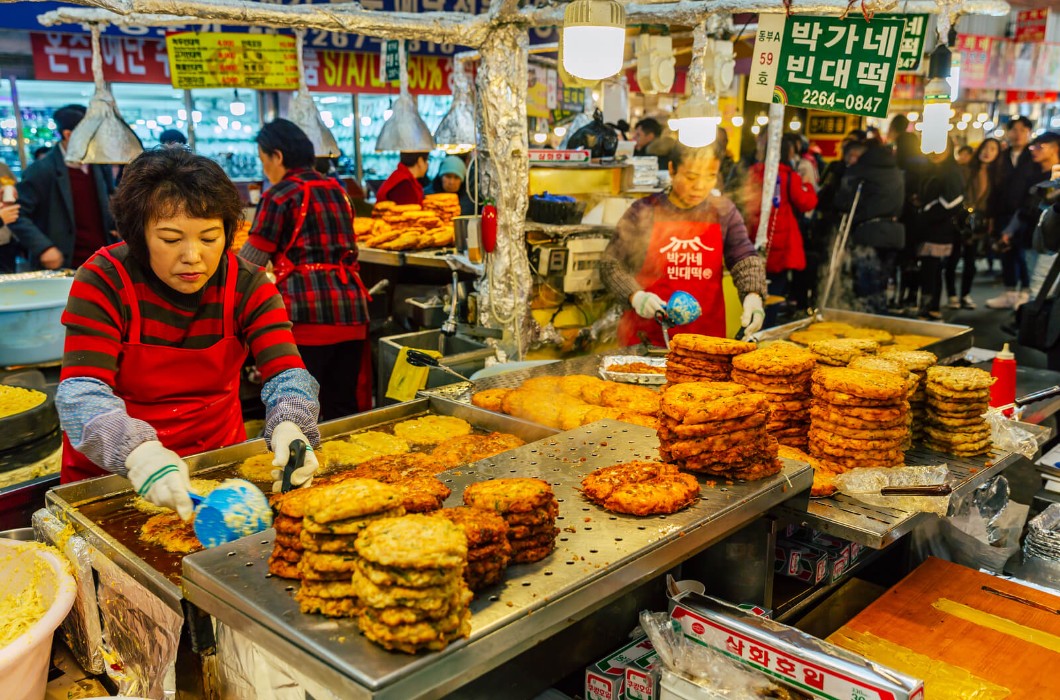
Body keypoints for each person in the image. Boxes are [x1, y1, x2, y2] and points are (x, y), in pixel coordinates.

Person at [56, 147, 321, 516]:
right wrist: (139, 453)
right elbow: (80, 394)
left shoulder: (248, 286)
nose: (193, 255)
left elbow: (288, 375)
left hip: (216, 472)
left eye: (209, 238)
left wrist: (291, 424)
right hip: (112, 478)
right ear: (138, 234)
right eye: (170, 239)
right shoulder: (103, 280)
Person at [238, 119, 371, 421]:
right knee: (342, 408)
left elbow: (251, 263)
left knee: (302, 408)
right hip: (351, 311)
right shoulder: (339, 191)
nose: (264, 169)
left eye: (263, 160)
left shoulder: (280, 194)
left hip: (307, 315)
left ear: (278, 156)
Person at [600, 143, 767, 346]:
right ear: (671, 170)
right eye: (691, 177)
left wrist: (753, 295)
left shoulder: (723, 212)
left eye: (710, 176)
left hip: (706, 341)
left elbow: (744, 257)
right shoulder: (644, 211)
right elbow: (611, 264)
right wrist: (635, 295)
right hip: (648, 340)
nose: (700, 186)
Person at [8, 104, 117, 269]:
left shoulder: (100, 165)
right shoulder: (42, 170)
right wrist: (44, 248)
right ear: (68, 134)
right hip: (64, 263)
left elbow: (110, 198)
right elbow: (17, 215)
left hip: (101, 260)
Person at [744, 134, 818, 318]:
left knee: (754, 281)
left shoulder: (753, 172)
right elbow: (806, 202)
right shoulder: (787, 176)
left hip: (754, 233)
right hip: (780, 238)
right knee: (775, 288)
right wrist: (808, 186)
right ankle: (766, 325)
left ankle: (751, 320)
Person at [833, 139, 905, 314]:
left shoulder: (861, 171)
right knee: (881, 285)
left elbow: (843, 201)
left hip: (869, 232)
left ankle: (867, 327)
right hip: (893, 233)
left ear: (855, 155)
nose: (847, 161)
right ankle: (881, 320)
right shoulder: (894, 170)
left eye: (849, 157)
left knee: (866, 287)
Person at [986, 117, 1038, 309]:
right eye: (1013, 130)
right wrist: (991, 216)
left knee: (1023, 254)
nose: (1017, 134)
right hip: (1003, 212)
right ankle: (1009, 292)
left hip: (1026, 213)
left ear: (1028, 132)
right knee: (1005, 252)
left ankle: (1025, 291)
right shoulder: (1002, 156)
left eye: (1022, 130)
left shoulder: (1033, 156)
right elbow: (993, 188)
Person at [944, 138, 1001, 310]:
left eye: (993, 149)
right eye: (985, 147)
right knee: (953, 258)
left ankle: (965, 295)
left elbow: (992, 202)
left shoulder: (995, 175)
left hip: (978, 223)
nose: (987, 152)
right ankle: (952, 295)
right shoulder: (966, 170)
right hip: (960, 219)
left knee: (971, 260)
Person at [914, 138, 965, 320]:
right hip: (928, 227)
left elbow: (951, 202)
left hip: (939, 229)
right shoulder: (930, 168)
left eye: (941, 147)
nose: (936, 152)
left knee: (933, 269)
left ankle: (932, 309)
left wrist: (926, 211)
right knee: (929, 269)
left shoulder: (952, 171)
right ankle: (927, 307)